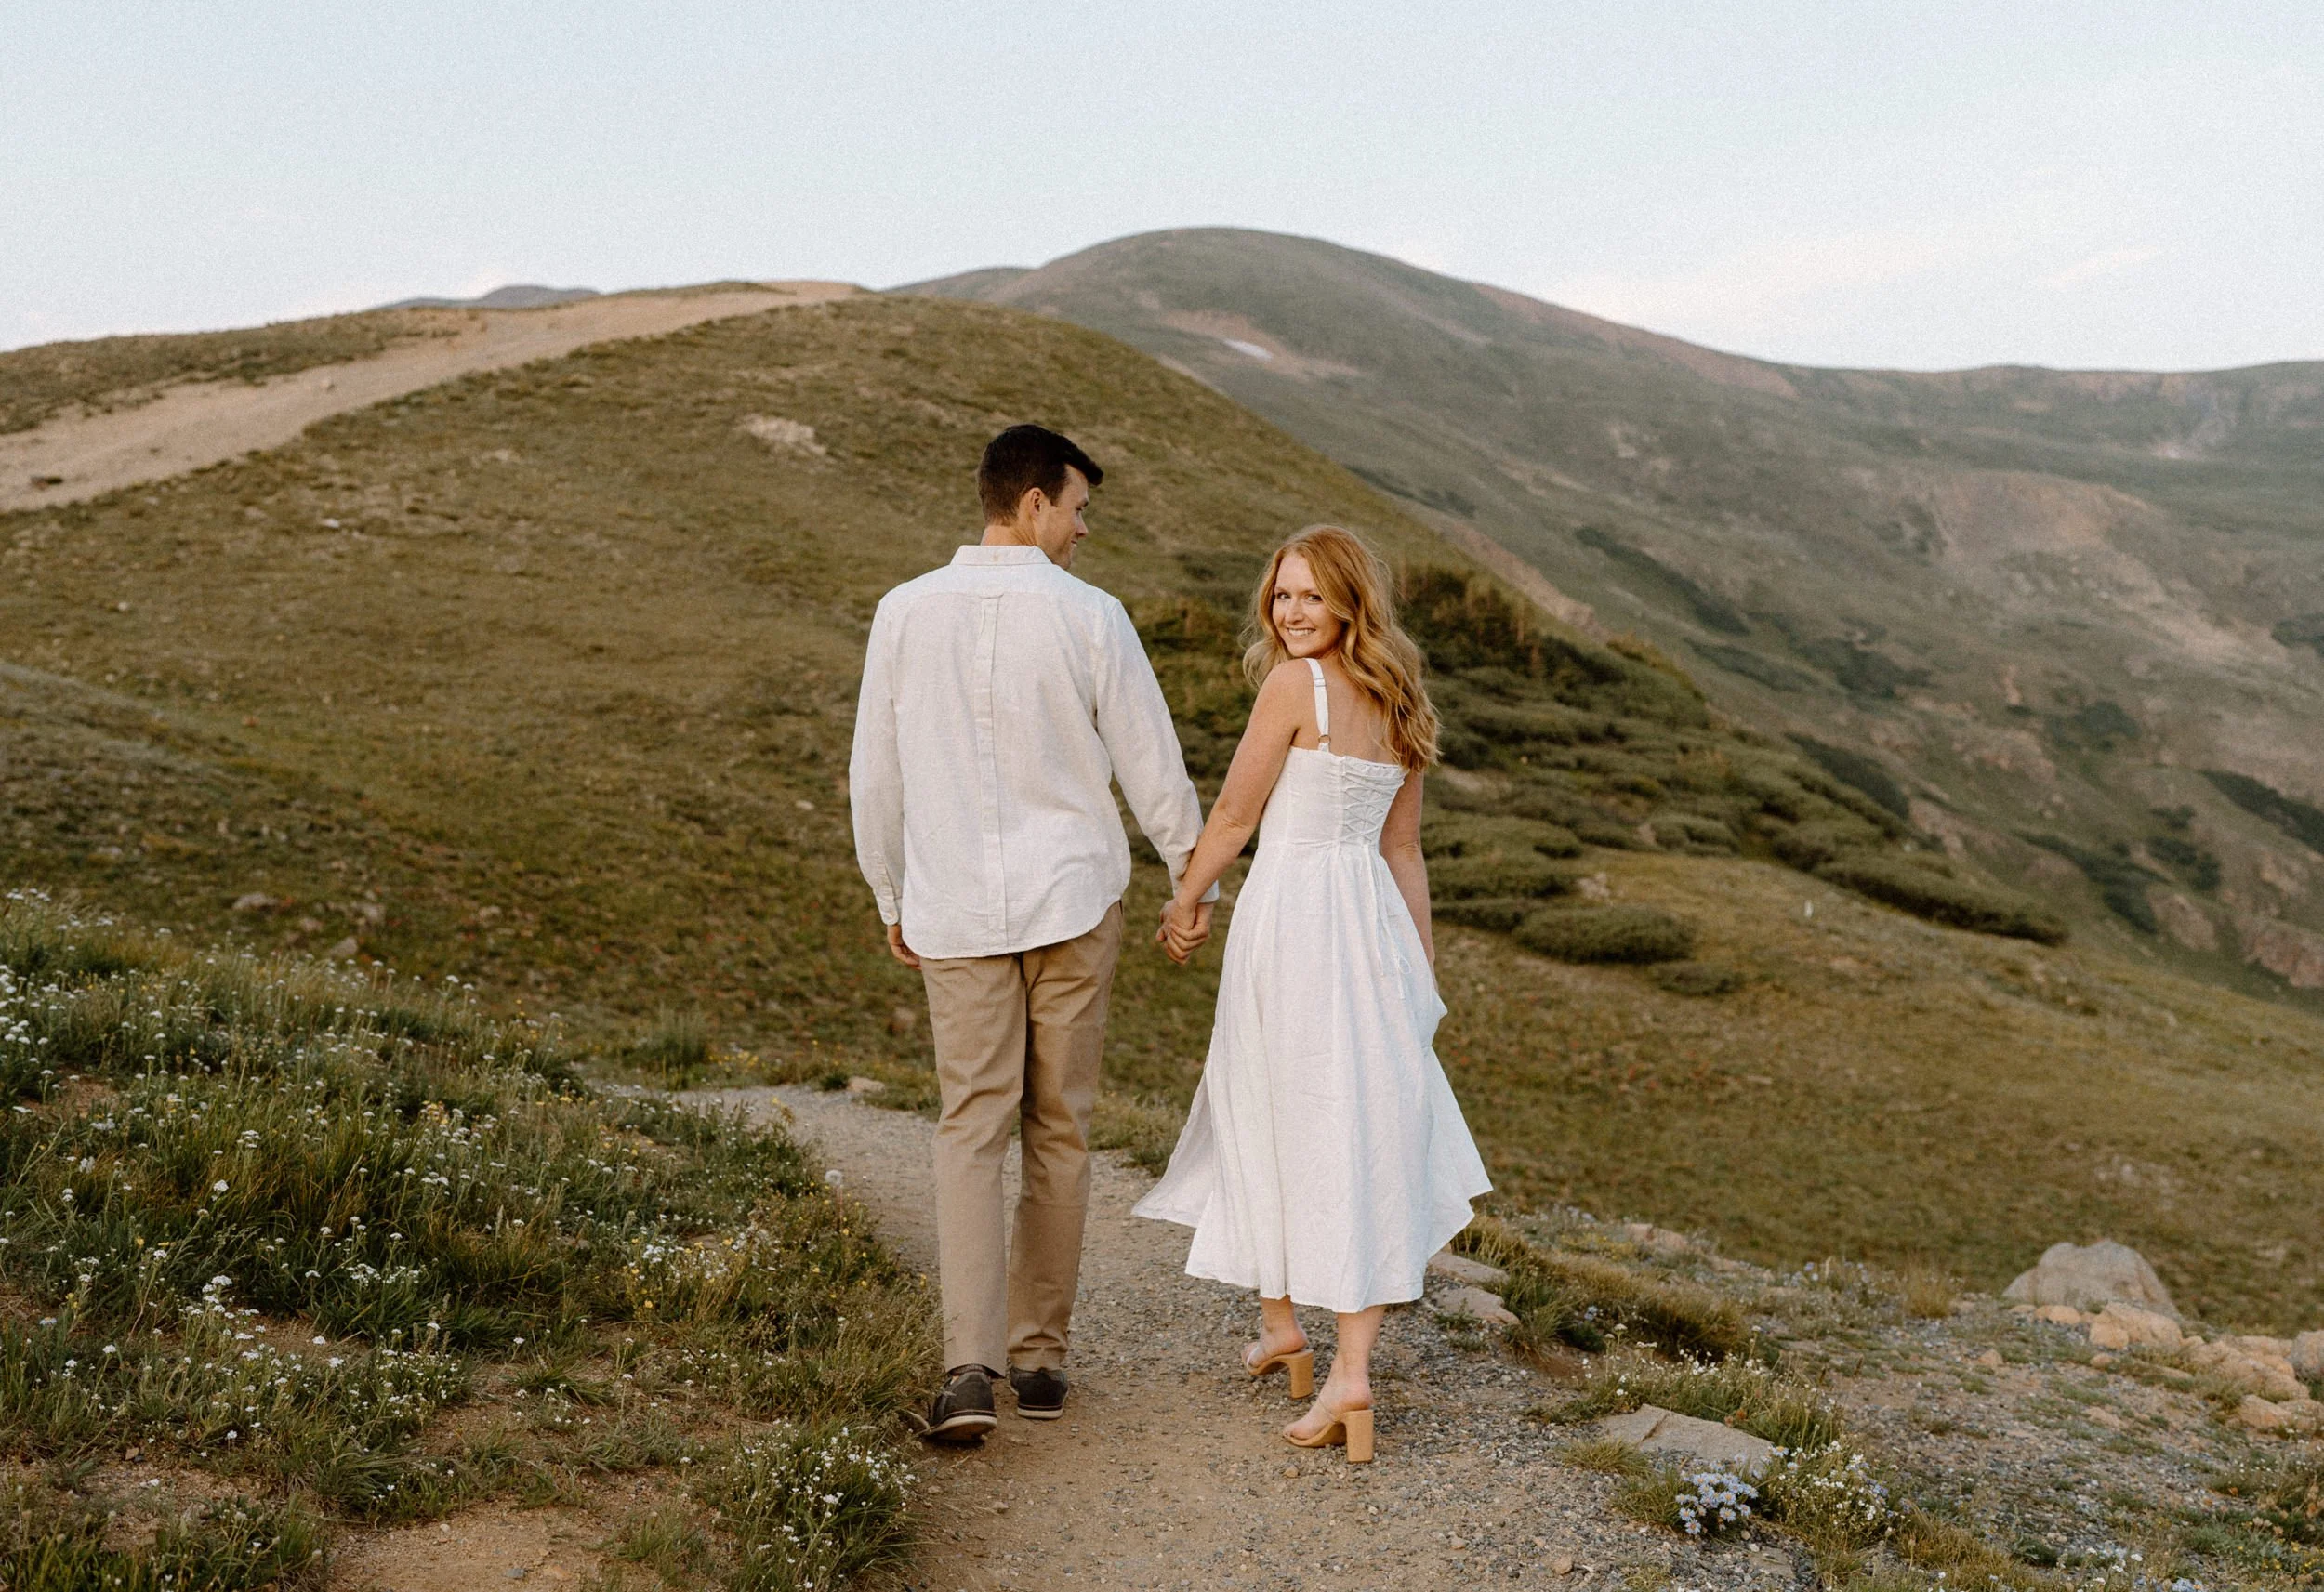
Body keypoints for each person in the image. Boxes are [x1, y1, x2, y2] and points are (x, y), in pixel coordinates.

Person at [850, 424, 1215, 1442]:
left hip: (953, 906)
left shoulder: (902, 611)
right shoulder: (1093, 617)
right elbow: (1152, 764)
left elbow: (873, 772)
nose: (1084, 528)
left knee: (970, 1126)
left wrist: (890, 892)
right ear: (1030, 503)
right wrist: (1193, 885)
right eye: (1077, 508)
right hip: (1071, 900)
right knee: (1060, 1124)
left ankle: (964, 1370)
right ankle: (1040, 1360)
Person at [1133, 524, 1490, 1464]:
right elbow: (1402, 852)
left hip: (1292, 922)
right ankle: (1315, 1349)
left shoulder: (1297, 687)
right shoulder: (1398, 693)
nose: (1290, 614)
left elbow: (1236, 815)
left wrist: (1185, 897)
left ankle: (1319, 1352)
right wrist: (1419, 965)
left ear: (1348, 604)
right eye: (1280, 596)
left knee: (1270, 1110)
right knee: (1357, 1128)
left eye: (1308, 597)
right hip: (1368, 928)